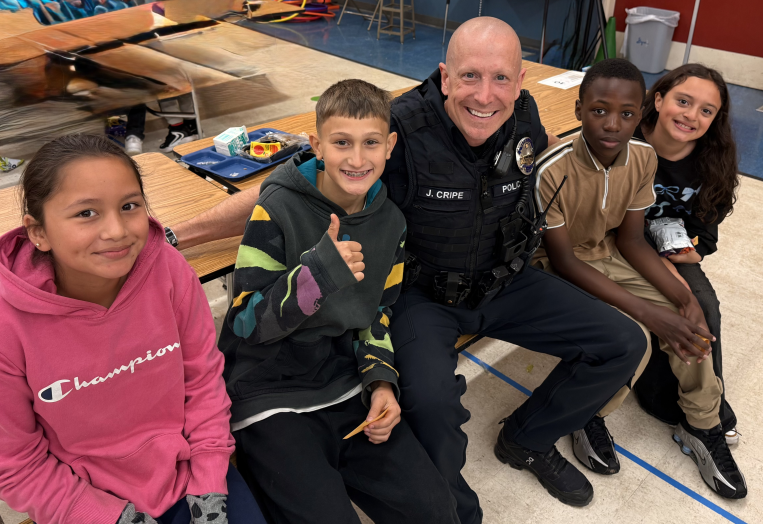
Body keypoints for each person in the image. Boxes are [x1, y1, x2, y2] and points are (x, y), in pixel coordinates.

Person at [165, 19, 647, 519]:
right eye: (470, 76)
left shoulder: (524, 116)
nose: (485, 95)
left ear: (519, 81)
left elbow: (537, 151)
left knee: (623, 342)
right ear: (445, 77)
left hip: (506, 282)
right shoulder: (394, 132)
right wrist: (176, 234)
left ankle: (527, 438)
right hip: (423, 295)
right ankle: (455, 508)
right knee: (431, 401)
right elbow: (294, 184)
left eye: (501, 78)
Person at [219, 79, 459, 524]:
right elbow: (246, 324)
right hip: (270, 393)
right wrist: (316, 276)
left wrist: (381, 383)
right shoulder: (277, 207)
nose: (357, 159)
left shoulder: (392, 222)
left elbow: (379, 312)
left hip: (344, 382)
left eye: (371, 143)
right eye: (342, 142)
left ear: (390, 146)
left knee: (436, 510)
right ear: (317, 146)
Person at [0, 135, 267, 524]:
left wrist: (209, 476)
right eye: (86, 213)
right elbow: (18, 463)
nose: (116, 230)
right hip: (84, 503)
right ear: (38, 232)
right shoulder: (8, 324)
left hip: (193, 477)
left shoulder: (169, 271)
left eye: (129, 206)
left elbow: (203, 382)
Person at [534, 58, 746, 499]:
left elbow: (630, 240)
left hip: (609, 251)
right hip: (559, 265)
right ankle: (587, 414)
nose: (613, 124)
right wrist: (651, 313)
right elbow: (565, 261)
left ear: (639, 113)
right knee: (634, 336)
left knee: (693, 318)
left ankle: (702, 425)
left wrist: (682, 298)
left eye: (626, 114)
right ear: (579, 109)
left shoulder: (644, 157)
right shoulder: (552, 169)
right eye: (599, 111)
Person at [632, 64, 740, 445]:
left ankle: (711, 404)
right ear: (659, 99)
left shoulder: (713, 159)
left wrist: (687, 253)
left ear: (715, 119)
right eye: (683, 101)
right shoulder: (627, 140)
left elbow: (705, 235)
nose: (692, 115)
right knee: (666, 303)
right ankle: (660, 398)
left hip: (671, 249)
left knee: (704, 305)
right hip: (620, 242)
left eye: (706, 110)